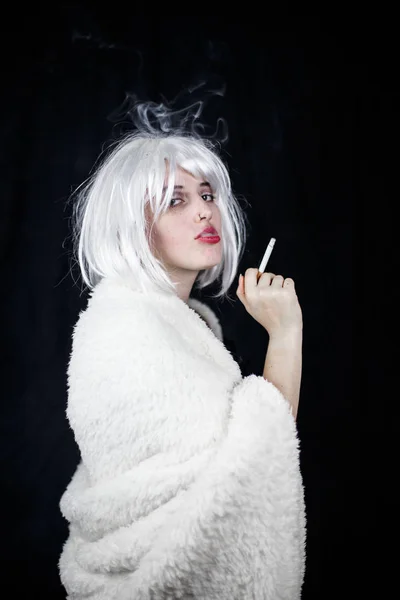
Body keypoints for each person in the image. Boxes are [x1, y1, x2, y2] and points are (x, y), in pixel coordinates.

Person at [59, 111, 306, 599]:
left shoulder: (178, 323)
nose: (204, 212)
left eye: (208, 196)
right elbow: (246, 479)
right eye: (176, 201)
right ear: (134, 226)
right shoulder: (127, 330)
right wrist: (285, 333)